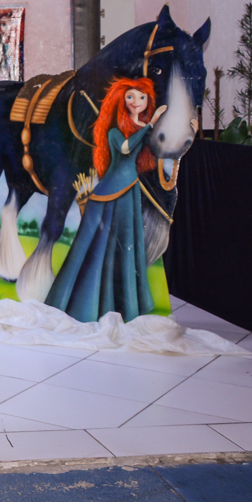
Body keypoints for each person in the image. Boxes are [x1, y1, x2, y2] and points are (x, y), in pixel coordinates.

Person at [46, 77, 165, 322]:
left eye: (141, 97)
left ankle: (124, 305)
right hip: (111, 191)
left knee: (124, 249)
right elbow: (125, 150)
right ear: (122, 100)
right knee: (95, 249)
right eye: (131, 97)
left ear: (148, 101)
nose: (136, 102)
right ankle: (79, 304)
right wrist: (150, 125)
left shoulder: (140, 128)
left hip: (129, 190)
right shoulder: (114, 130)